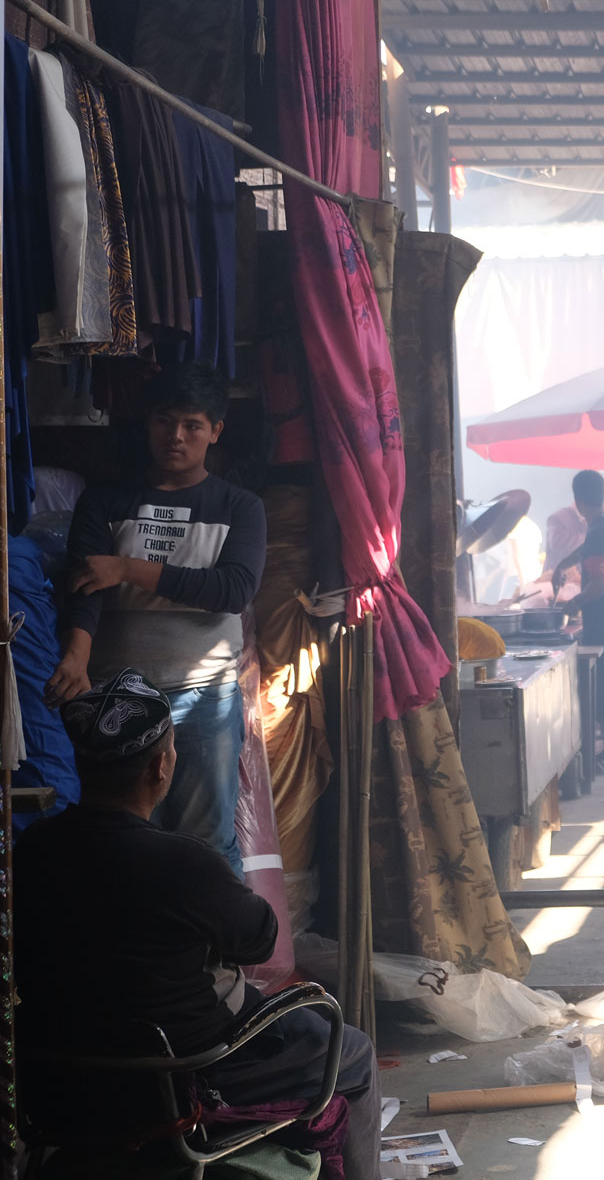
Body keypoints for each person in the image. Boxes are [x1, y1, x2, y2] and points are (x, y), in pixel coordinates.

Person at [17, 670, 381, 1179]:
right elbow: (259, 939)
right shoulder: (182, 862)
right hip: (184, 1077)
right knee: (355, 1051)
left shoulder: (30, 852)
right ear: (161, 767)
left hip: (63, 1082)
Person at [49, 362, 266, 875]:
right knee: (119, 836)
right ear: (146, 424)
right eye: (164, 421)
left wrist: (127, 568)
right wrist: (76, 659)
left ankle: (212, 955)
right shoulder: (103, 501)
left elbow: (232, 590)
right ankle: (134, 952)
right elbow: (85, 591)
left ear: (215, 430)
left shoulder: (240, 507)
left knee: (206, 837)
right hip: (113, 690)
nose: (176, 436)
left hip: (204, 692)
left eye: (192, 425)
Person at [551, 470, 604, 773]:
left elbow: (600, 584)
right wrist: (563, 564)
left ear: (578, 501)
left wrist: (572, 604)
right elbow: (588, 551)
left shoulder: (600, 530)